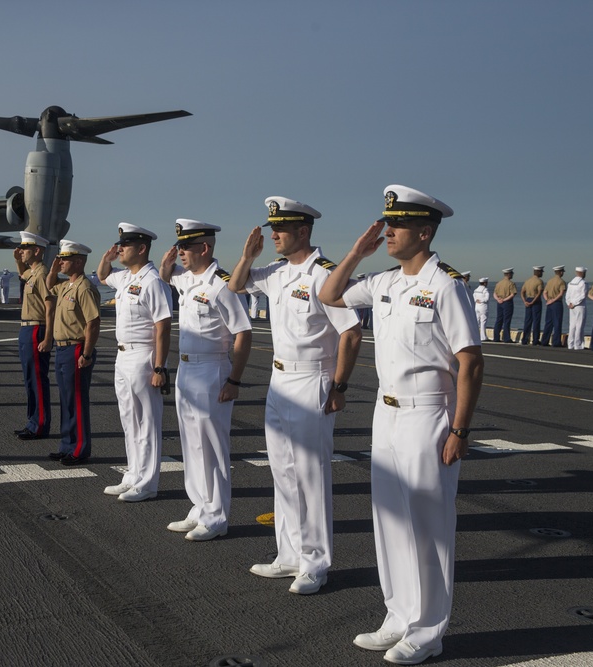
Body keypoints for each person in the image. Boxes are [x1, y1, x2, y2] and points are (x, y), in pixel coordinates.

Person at [319, 185, 483, 665]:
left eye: (398, 225)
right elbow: (329, 294)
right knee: (389, 519)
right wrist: (355, 253)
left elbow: (470, 363)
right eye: (387, 223)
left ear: (425, 232)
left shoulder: (447, 285)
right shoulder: (385, 281)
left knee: (428, 527)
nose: (388, 231)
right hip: (385, 415)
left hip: (428, 414)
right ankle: (398, 615)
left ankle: (428, 630)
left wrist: (460, 430)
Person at [228, 197, 360, 593]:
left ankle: (315, 564)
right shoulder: (277, 273)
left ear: (303, 231)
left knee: (310, 475)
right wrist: (247, 256)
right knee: (282, 471)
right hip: (279, 381)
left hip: (312, 382)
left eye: (281, 229)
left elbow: (350, 333)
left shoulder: (324, 274)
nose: (274, 235)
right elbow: (235, 285)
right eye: (272, 228)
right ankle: (288, 556)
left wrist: (339, 386)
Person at [159, 218, 252, 542]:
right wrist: (166, 264)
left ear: (205, 248)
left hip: (212, 371)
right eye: (179, 246)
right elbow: (166, 278)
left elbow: (243, 333)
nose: (180, 251)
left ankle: (216, 516)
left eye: (185, 246)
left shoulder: (223, 285)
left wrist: (234, 381)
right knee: (192, 443)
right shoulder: (186, 279)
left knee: (212, 446)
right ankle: (199, 506)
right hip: (186, 370)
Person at [97, 223, 173, 503]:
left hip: (143, 356)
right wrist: (106, 258)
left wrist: (159, 367)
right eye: (119, 245)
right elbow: (103, 276)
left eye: (124, 246)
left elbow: (162, 325)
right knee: (129, 419)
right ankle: (132, 475)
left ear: (141, 249)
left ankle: (147, 483)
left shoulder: (152, 281)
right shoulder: (126, 277)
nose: (120, 250)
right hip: (122, 355)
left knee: (147, 422)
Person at [45, 240, 100, 465]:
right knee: (66, 399)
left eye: (65, 260)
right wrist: (53, 269)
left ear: (78, 262)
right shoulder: (68, 285)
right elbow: (49, 285)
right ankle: (67, 444)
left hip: (76, 348)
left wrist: (86, 354)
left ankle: (80, 448)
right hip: (62, 349)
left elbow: (93, 322)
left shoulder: (84, 288)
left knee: (77, 400)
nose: (61, 263)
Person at [13, 232, 53, 440]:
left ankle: (40, 424)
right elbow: (23, 276)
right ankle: (32, 421)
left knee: (37, 379)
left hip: (37, 328)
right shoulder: (32, 273)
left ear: (37, 251)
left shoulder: (41, 274)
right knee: (29, 379)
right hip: (27, 328)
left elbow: (49, 306)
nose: (21, 251)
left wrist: (48, 337)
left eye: (25, 249)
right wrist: (18, 260)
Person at [540, 265, 566, 347]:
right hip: (556, 303)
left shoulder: (550, 281)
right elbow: (561, 293)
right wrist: (553, 300)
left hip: (549, 304)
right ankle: (556, 342)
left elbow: (544, 292)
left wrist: (547, 300)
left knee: (548, 322)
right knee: (557, 322)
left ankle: (544, 341)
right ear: (561, 272)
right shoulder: (561, 281)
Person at [520, 266, 545, 345]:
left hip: (528, 300)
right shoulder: (539, 281)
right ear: (538, 272)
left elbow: (522, 292)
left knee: (527, 321)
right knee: (536, 321)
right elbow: (539, 293)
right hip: (535, 302)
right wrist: (533, 301)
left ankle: (525, 339)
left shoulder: (527, 281)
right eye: (541, 272)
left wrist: (524, 301)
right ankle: (535, 340)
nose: (542, 273)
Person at [566, 267, 587, 350]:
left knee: (572, 325)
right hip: (580, 306)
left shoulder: (570, 283)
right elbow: (583, 295)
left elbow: (567, 295)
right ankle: (577, 344)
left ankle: (570, 344)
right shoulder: (583, 283)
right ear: (582, 273)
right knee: (579, 325)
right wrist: (575, 303)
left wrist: (569, 303)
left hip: (571, 306)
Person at [492, 269, 516, 343]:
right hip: (507, 303)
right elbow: (512, 294)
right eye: (512, 273)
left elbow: (494, 293)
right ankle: (506, 338)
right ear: (509, 274)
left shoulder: (499, 283)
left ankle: (496, 337)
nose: (512, 275)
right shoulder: (511, 283)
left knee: (499, 319)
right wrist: (505, 300)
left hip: (499, 302)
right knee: (507, 320)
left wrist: (498, 300)